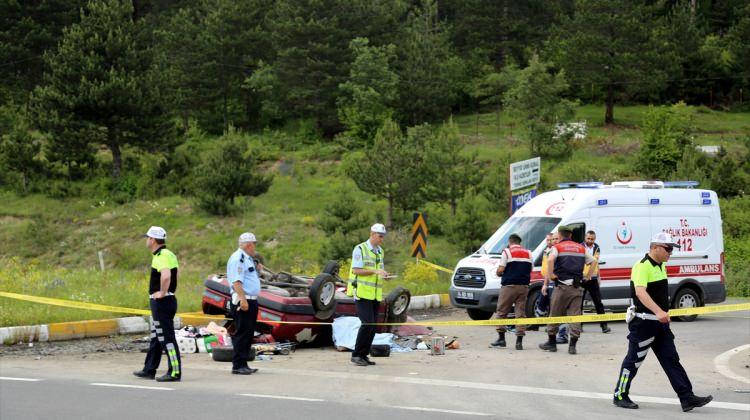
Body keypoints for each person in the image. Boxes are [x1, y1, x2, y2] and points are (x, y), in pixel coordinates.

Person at [613, 233, 713, 411]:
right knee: (633, 361)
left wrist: (664, 315)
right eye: (668, 249)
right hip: (644, 324)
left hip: (660, 325)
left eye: (671, 249)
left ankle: (687, 397)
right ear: (655, 248)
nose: (670, 252)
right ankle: (620, 395)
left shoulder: (660, 266)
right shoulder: (642, 266)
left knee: (671, 359)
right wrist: (659, 312)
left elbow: (658, 295)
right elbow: (640, 293)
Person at [133, 226, 181, 382]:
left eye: (148, 238)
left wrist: (162, 292)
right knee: (156, 336)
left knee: (167, 338)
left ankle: (174, 372)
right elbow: (177, 274)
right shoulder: (169, 254)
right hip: (168, 299)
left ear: (153, 240)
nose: (147, 240)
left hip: (161, 302)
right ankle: (149, 369)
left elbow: (166, 276)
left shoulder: (160, 255)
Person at [539, 225, 595, 355]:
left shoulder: (556, 247)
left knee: (554, 315)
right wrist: (588, 276)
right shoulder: (581, 248)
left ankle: (552, 343)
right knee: (575, 316)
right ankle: (572, 346)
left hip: (561, 287)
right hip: (577, 288)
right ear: (570, 235)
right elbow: (593, 261)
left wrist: (552, 275)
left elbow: (551, 260)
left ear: (559, 235)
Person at [346, 223, 390, 367]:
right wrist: (375, 271)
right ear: (372, 234)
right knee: (366, 324)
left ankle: (363, 355)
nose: (381, 239)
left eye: (383, 237)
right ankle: (356, 355)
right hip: (362, 293)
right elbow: (357, 270)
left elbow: (379, 270)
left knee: (372, 326)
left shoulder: (380, 252)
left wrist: (384, 275)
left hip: (375, 295)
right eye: (380, 236)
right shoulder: (360, 249)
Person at [227, 232, 262, 375]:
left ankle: (243, 363)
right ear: (248, 245)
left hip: (250, 299)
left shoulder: (247, 258)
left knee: (248, 333)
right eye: (254, 244)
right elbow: (236, 281)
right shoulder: (238, 258)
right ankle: (238, 365)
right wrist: (243, 299)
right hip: (244, 299)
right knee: (242, 333)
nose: (255, 247)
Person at [489, 233, 532, 350]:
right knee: (520, 313)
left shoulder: (507, 252)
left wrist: (498, 273)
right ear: (519, 243)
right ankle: (519, 342)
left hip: (509, 286)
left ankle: (501, 339)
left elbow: (501, 269)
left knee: (502, 312)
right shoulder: (528, 253)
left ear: (510, 242)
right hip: (523, 287)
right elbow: (530, 269)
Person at [581, 230, 610, 333]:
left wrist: (599, 276)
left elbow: (596, 263)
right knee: (579, 303)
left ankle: (604, 326)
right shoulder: (580, 247)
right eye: (588, 238)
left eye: (592, 239)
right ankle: (579, 325)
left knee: (598, 302)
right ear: (585, 238)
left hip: (593, 279)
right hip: (582, 278)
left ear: (595, 239)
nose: (590, 241)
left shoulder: (597, 247)